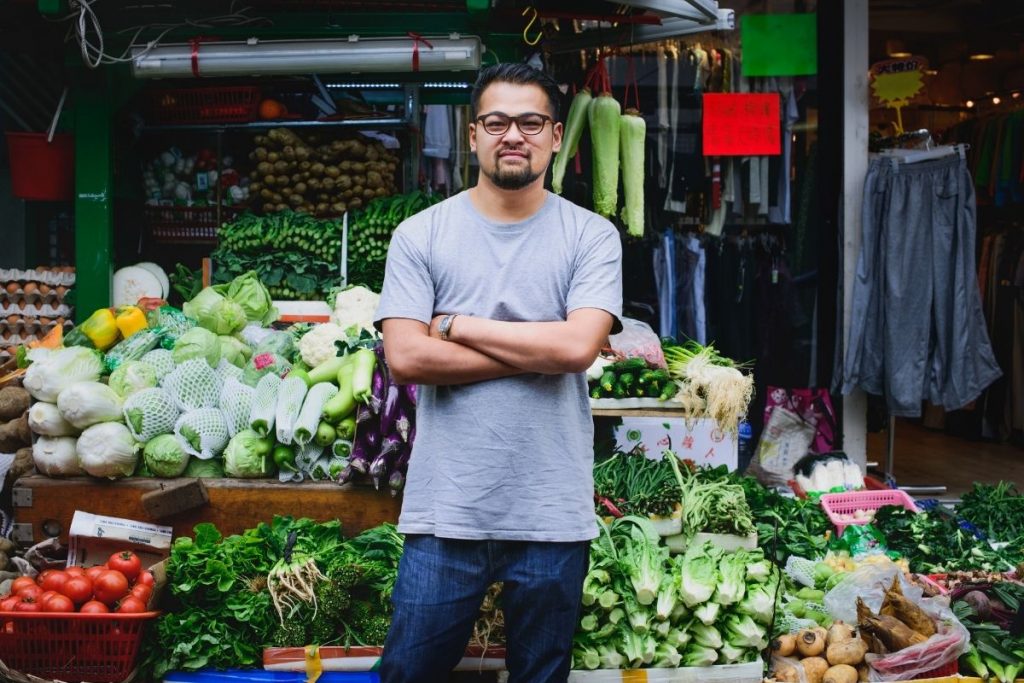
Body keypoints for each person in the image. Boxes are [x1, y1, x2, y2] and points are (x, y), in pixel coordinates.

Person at [374, 62, 623, 683]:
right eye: (496, 122)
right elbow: (406, 358)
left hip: (551, 510)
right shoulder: (421, 235)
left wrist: (457, 326)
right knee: (408, 673)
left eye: (531, 122)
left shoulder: (591, 236)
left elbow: (577, 349)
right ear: (473, 134)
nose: (514, 135)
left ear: (557, 136)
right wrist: (539, 347)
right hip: (447, 508)